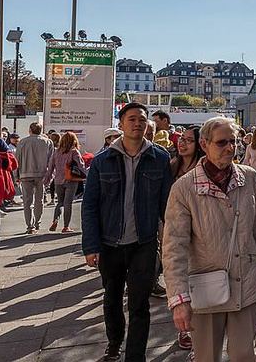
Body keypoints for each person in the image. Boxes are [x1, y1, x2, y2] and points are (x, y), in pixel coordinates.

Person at [163, 117, 256, 362]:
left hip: (246, 280)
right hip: (206, 288)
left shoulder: (249, 178)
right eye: (222, 142)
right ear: (204, 145)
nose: (230, 148)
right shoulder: (184, 188)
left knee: (244, 354)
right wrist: (179, 299)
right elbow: (174, 247)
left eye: (234, 142)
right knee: (207, 357)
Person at [81, 102, 172, 362]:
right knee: (111, 299)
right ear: (121, 125)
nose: (137, 124)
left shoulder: (160, 157)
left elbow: (167, 205)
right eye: (131, 119)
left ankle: (136, 355)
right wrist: (91, 246)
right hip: (110, 244)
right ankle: (114, 341)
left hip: (144, 242)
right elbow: (90, 207)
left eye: (142, 120)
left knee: (140, 304)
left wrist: (173, 241)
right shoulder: (102, 160)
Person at [167, 125, 203, 353]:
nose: (182, 143)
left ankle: (198, 338)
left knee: (201, 285)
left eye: (189, 140)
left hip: (201, 235)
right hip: (177, 234)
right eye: (181, 139)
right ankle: (186, 329)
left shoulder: (204, 169)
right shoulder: (171, 167)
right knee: (182, 282)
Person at [16, 122, 54, 234]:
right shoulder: (48, 142)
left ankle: (29, 226)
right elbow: (51, 161)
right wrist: (50, 176)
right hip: (41, 174)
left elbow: (16, 160)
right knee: (39, 199)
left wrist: (16, 176)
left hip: (25, 174)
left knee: (27, 201)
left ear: (30, 130)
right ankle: (37, 222)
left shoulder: (22, 142)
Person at [45, 132, 86, 233]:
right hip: (71, 180)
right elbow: (81, 166)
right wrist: (87, 175)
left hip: (58, 181)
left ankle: (55, 220)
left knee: (60, 202)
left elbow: (50, 167)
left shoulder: (56, 152)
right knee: (68, 203)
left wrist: (47, 180)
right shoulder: (74, 152)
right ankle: (66, 226)